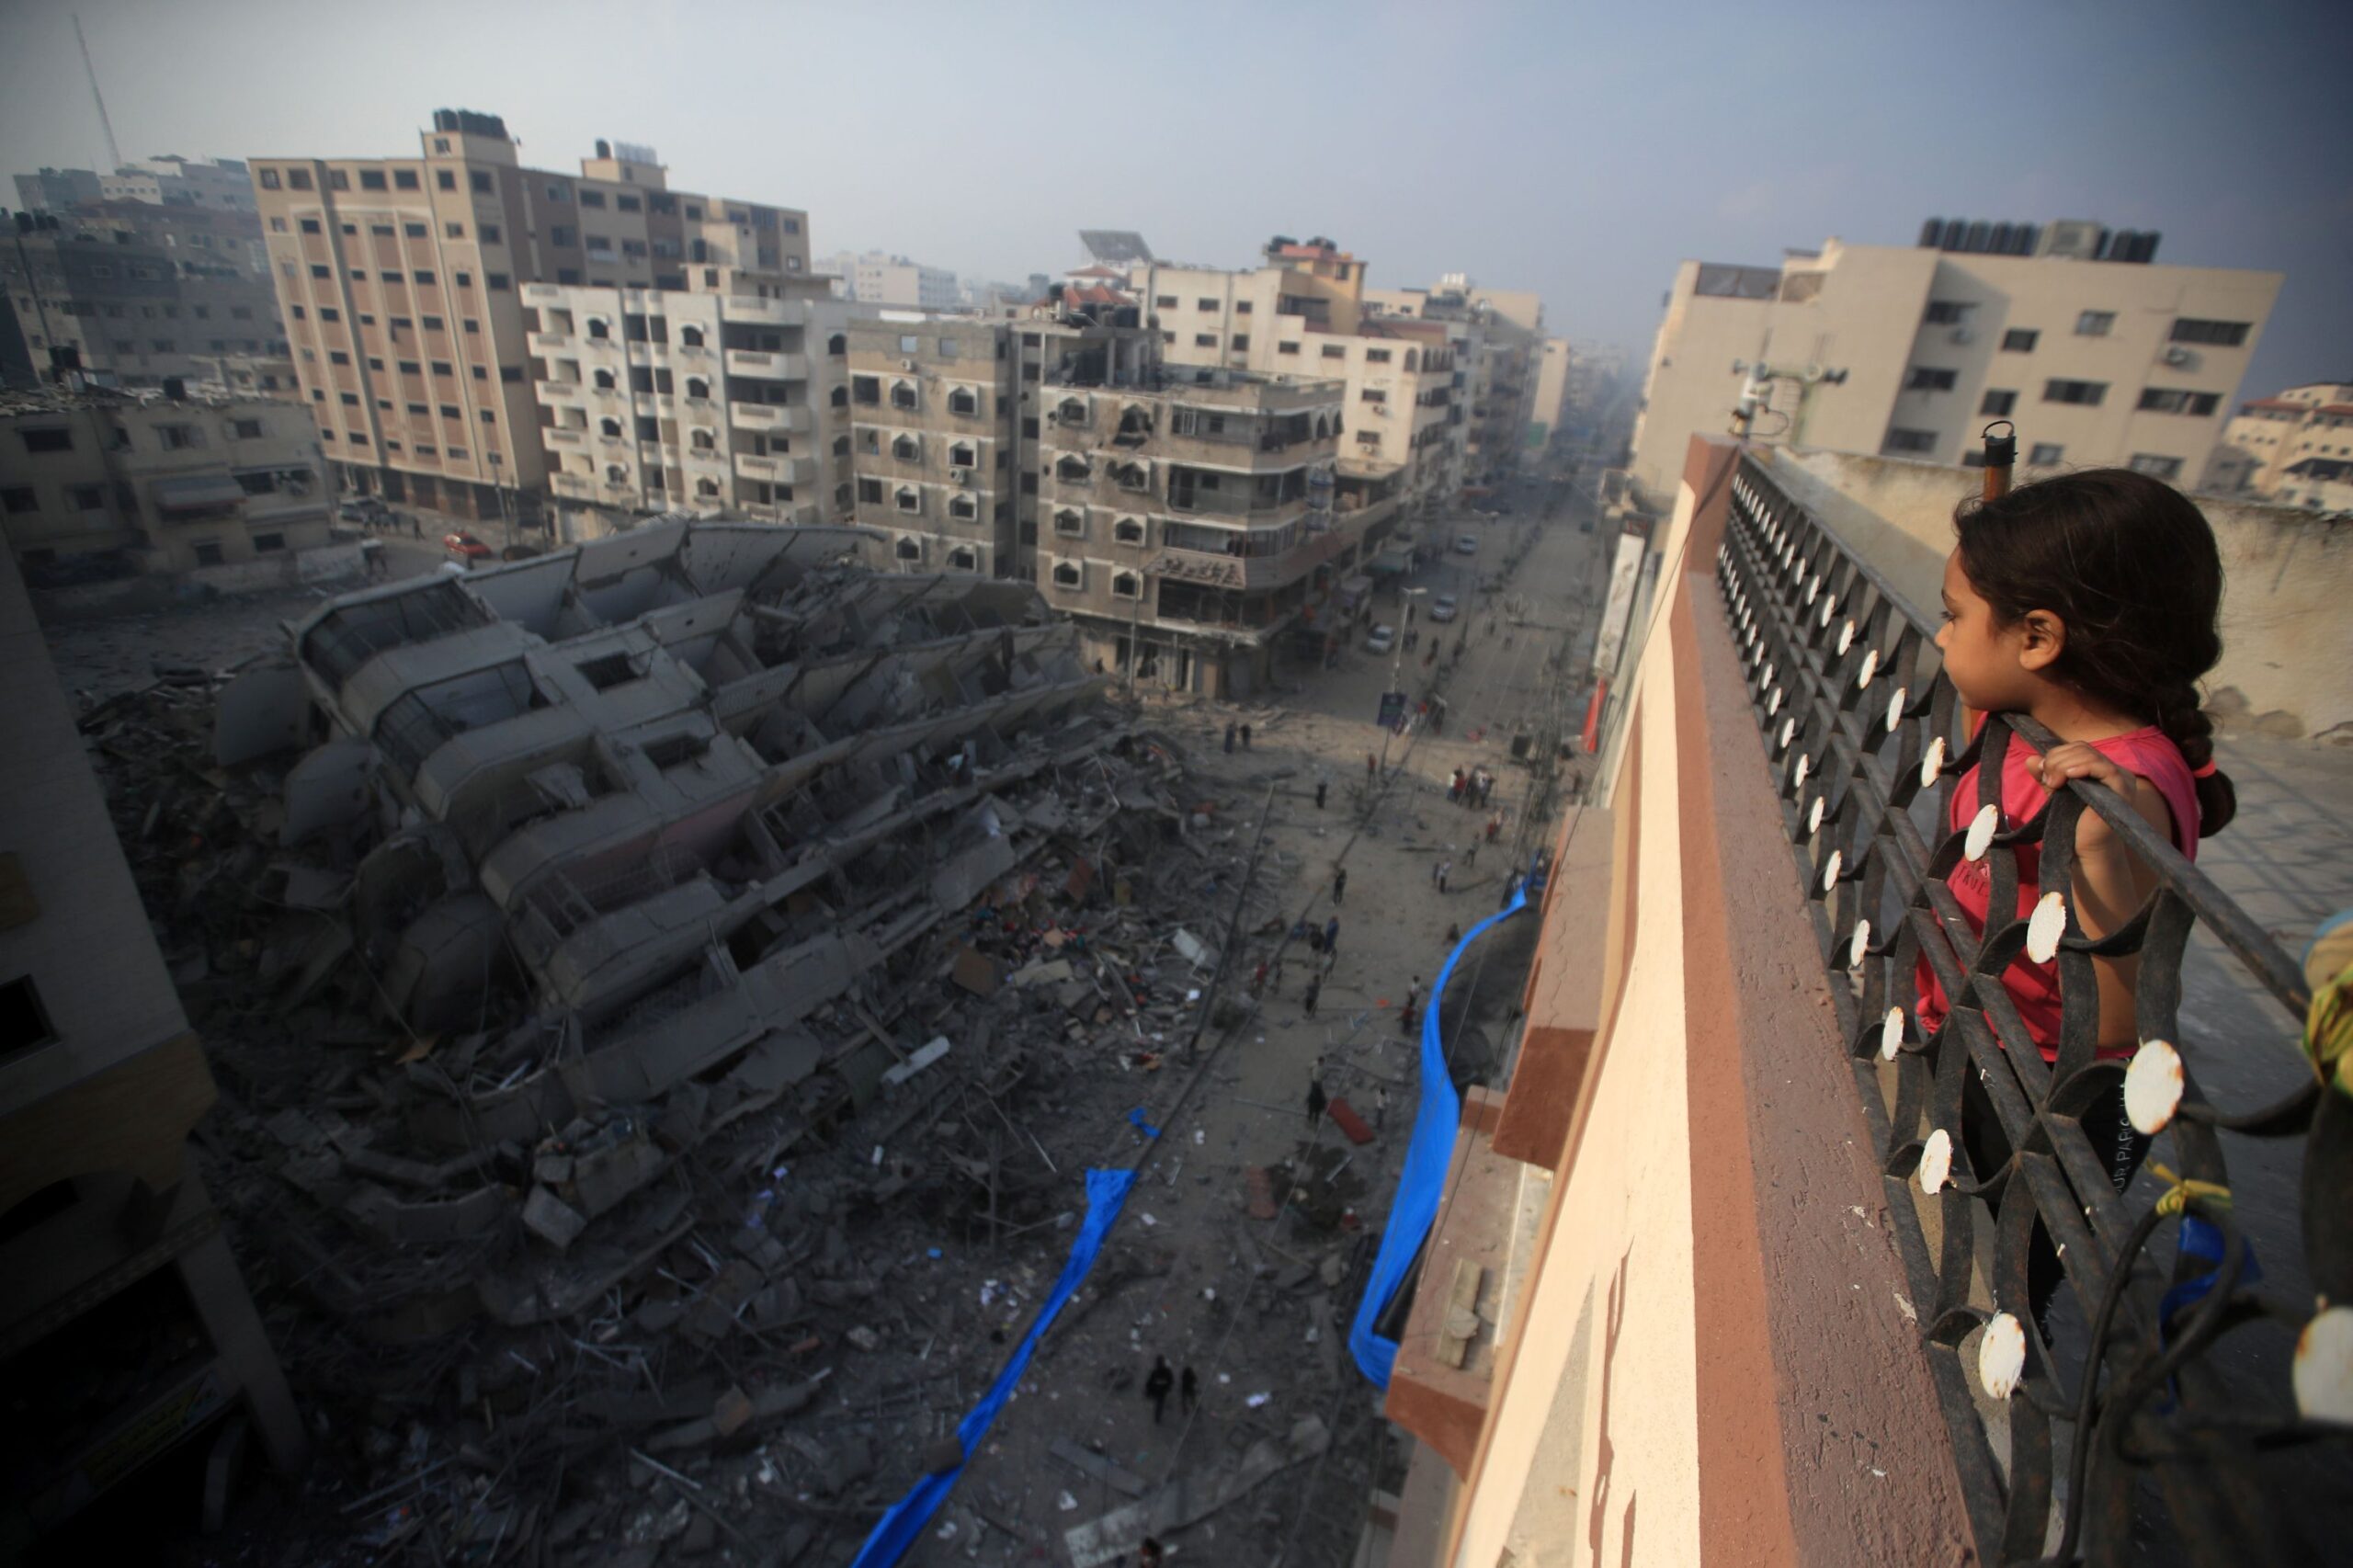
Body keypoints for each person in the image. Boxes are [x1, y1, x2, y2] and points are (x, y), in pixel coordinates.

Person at [1914, 469, 2234, 1331]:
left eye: (1952, 616)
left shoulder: (2128, 797)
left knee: (1993, 1294)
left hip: (2051, 1107)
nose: (1940, 638)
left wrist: (2095, 844)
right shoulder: (2023, 717)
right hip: (1971, 1037)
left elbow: (2125, 1028)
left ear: (2042, 638)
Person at [1145, 1356, 1175, 1424]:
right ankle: (1157, 1418)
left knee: (1159, 1405)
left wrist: (1148, 1391)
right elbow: (1171, 1380)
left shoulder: (1156, 1372)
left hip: (1159, 1392)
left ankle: (1157, 1418)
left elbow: (1150, 1382)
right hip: (1161, 1392)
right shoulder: (1165, 1372)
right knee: (1159, 1405)